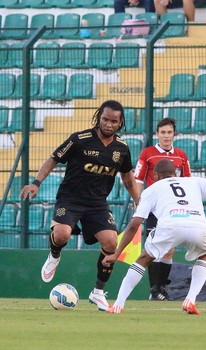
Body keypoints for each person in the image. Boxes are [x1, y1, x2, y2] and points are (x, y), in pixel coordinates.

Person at [20, 100, 140, 312]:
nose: (108, 124)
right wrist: (36, 183)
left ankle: (98, 292)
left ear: (121, 122)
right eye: (105, 119)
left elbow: (127, 176)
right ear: (98, 117)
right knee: (62, 235)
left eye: (114, 121)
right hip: (70, 198)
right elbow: (53, 159)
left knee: (112, 243)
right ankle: (54, 255)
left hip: (97, 204)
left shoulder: (121, 148)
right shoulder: (80, 139)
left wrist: (139, 200)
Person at [103, 159, 206, 314]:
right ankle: (190, 300)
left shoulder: (151, 189)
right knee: (205, 254)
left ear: (156, 175)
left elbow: (134, 224)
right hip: (197, 225)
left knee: (144, 259)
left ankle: (118, 304)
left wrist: (117, 253)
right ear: (176, 173)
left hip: (170, 226)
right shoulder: (192, 181)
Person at [134, 117, 191, 301]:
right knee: (153, 247)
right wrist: (139, 201)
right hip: (154, 208)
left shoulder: (181, 156)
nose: (166, 136)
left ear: (174, 134)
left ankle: (160, 288)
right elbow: (138, 179)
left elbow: (188, 181)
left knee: (169, 250)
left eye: (169, 132)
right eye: (163, 132)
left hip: (173, 209)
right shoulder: (148, 154)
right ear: (157, 134)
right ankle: (154, 290)